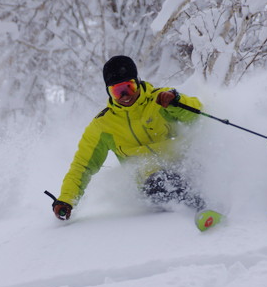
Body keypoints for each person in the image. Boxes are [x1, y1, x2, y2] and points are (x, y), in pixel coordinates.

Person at [51, 55, 223, 231]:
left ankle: (232, 202)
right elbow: (82, 165)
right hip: (150, 180)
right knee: (163, 182)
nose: (125, 96)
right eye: (117, 91)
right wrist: (66, 199)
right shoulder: (103, 126)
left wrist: (177, 102)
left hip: (183, 163)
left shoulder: (161, 100)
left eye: (129, 87)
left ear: (138, 82)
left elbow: (199, 116)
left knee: (206, 165)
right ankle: (205, 211)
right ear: (109, 93)